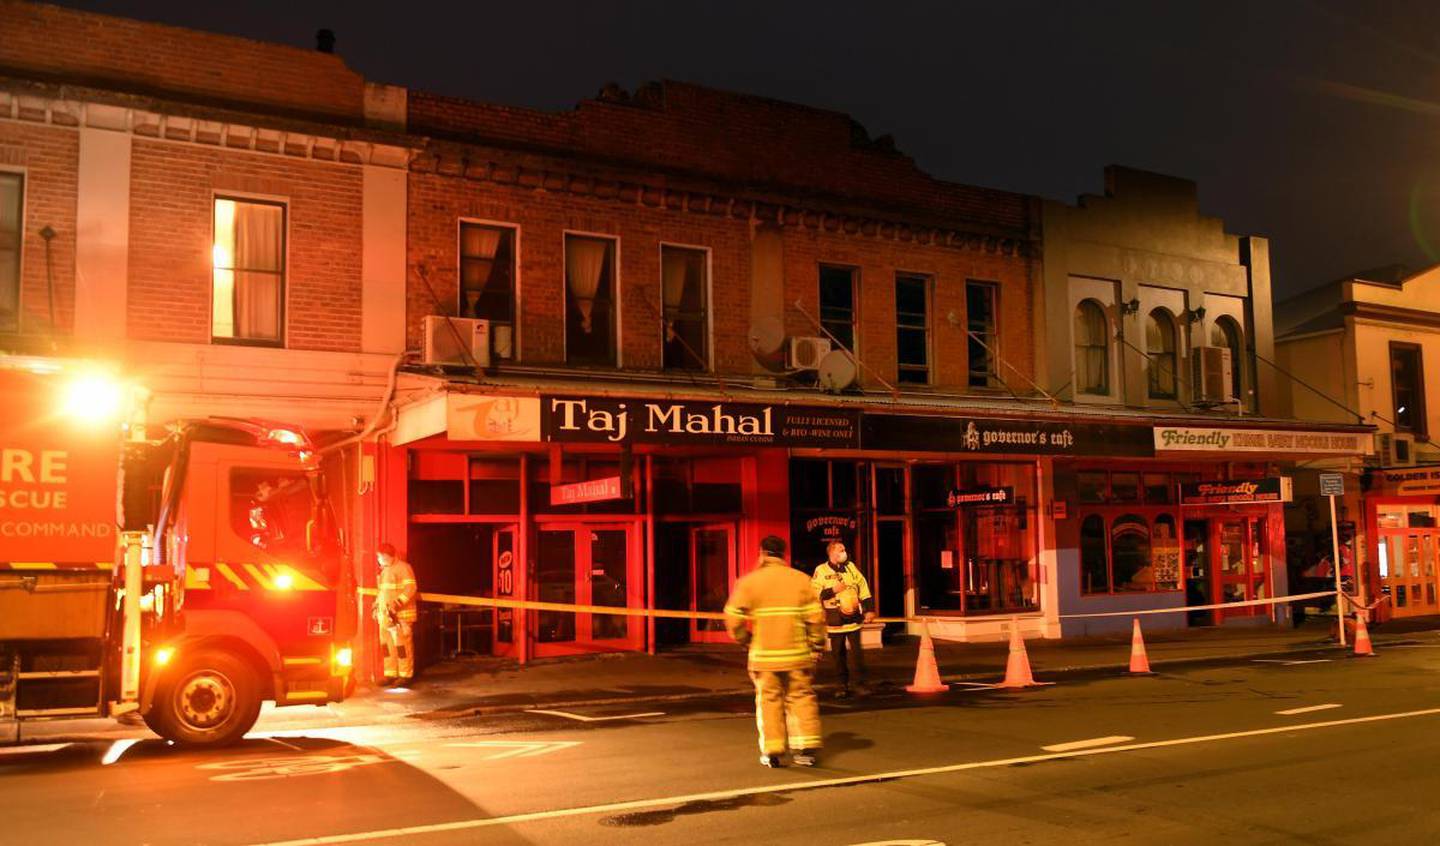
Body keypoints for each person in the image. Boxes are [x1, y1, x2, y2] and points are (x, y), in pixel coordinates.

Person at [725, 535, 826, 768]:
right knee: (801, 698)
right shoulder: (801, 580)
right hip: (797, 656)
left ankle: (773, 751)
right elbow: (816, 618)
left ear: (762, 553)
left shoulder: (749, 582)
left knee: (769, 701)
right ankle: (805, 749)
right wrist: (817, 645)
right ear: (784, 554)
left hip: (764, 657)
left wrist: (745, 640)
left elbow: (733, 618)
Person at [811, 541, 874, 698]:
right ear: (832, 552)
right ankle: (841, 686)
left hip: (853, 618)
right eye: (841, 550)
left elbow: (863, 587)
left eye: (844, 549)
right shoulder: (821, 570)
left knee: (857, 654)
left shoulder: (850, 567)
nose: (844, 552)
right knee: (838, 655)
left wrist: (869, 610)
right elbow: (815, 593)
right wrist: (833, 590)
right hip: (835, 619)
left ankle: (860, 684)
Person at [374, 542, 418, 686]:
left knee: (402, 646)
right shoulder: (385, 571)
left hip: (400, 617)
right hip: (385, 617)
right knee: (387, 646)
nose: (378, 559)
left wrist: (397, 603)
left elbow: (411, 588)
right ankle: (390, 674)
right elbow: (382, 593)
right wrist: (376, 607)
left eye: (380, 557)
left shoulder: (404, 568)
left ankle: (405, 675)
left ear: (387, 556)